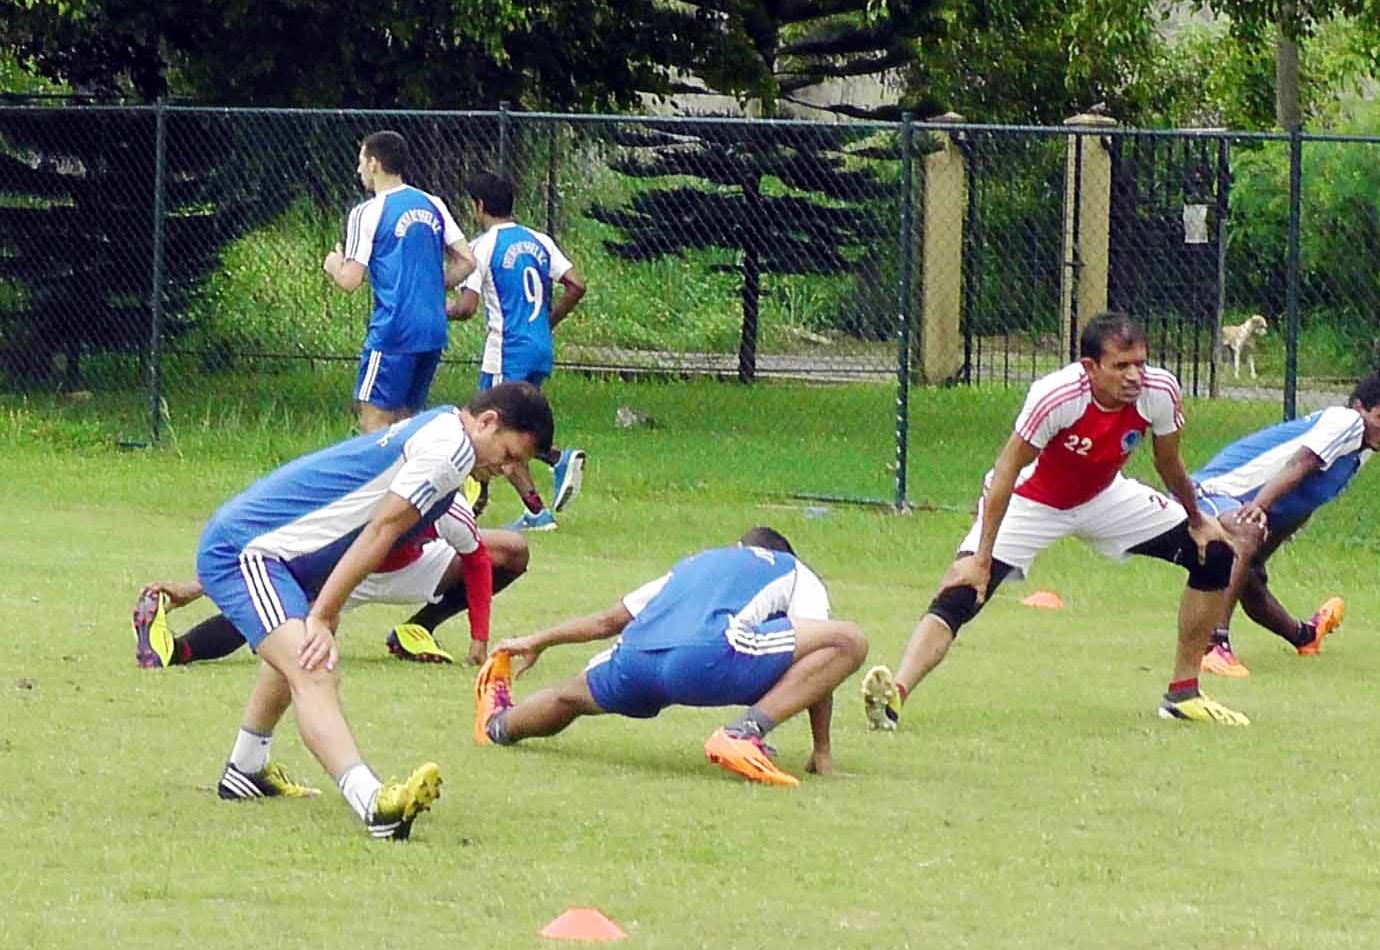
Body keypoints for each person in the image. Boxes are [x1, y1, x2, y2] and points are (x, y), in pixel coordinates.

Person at [175, 381, 552, 840]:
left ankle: (246, 767)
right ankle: (373, 804)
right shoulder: (449, 450)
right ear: (488, 422)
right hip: (248, 550)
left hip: (286, 557)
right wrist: (321, 615)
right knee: (313, 667)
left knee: (296, 657)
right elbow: (383, 528)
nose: (507, 468)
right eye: (509, 454)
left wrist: (325, 608)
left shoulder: (447, 433)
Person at [858, 311, 1263, 733]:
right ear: (1090, 367)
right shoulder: (1057, 395)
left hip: (1105, 495)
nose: (1134, 376)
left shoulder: (1160, 390)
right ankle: (893, 699)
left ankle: (1183, 695)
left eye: (1140, 363)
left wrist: (1197, 518)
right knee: (963, 591)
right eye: (1121, 366)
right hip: (1032, 500)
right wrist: (980, 557)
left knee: (1214, 554)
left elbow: (1168, 461)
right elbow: (1007, 470)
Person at [472, 527, 866, 788]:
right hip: (706, 658)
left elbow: (607, 621)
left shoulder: (696, 563)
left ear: (738, 547)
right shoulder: (794, 570)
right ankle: (743, 734)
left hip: (636, 659)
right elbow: (823, 655)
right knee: (848, 640)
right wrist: (822, 749)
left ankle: (498, 725)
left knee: (570, 697)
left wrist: (539, 640)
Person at [132, 498, 531, 670]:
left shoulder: (446, 502)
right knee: (272, 614)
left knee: (512, 550)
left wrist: (479, 639)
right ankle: (174, 650)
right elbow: (276, 549)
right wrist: (197, 586)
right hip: (342, 573)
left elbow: (476, 559)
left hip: (411, 567)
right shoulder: (363, 492)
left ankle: (418, 630)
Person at [1187, 374, 1380, 677]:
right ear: (1359, 407)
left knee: (1250, 577)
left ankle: (1305, 636)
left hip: (1241, 506)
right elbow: (1300, 463)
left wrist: (1260, 552)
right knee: (1245, 533)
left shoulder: (1362, 452)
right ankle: (1212, 645)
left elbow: (1308, 498)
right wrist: (1258, 509)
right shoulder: (1346, 421)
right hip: (1209, 492)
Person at [446, 171, 588, 530]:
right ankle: (550, 468)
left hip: (506, 351)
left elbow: (466, 307)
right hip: (539, 348)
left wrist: (432, 310)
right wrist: (545, 323)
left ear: (478, 206)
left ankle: (536, 504)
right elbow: (576, 284)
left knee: (491, 428)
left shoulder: (482, 247)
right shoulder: (539, 241)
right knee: (517, 426)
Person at [323, 130, 476, 433]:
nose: (358, 169)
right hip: (432, 329)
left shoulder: (368, 212)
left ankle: (381, 467)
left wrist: (333, 265)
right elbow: (467, 260)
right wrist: (431, 286)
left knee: (375, 423)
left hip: (394, 329)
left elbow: (350, 280)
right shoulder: (432, 203)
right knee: (407, 422)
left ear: (374, 163)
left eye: (361, 161)